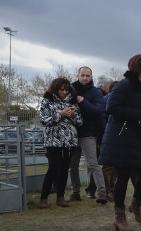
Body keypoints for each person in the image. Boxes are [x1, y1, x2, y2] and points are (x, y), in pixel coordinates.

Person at [99, 54, 141, 230]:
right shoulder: (124, 85)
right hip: (120, 137)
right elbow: (111, 108)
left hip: (139, 135)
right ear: (137, 67)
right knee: (123, 176)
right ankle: (119, 216)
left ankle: (136, 204)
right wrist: (140, 115)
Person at [38, 77, 83, 209]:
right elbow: (43, 120)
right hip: (53, 141)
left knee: (64, 169)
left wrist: (74, 116)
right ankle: (43, 198)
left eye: (66, 89)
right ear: (55, 89)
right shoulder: (47, 100)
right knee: (53, 169)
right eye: (61, 89)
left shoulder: (73, 102)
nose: (64, 92)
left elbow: (80, 122)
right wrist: (60, 114)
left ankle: (61, 197)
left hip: (70, 141)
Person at [67, 66, 108, 204]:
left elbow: (98, 110)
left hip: (88, 132)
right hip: (72, 133)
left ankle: (102, 192)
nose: (85, 78)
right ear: (78, 75)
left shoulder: (95, 92)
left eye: (87, 76)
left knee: (93, 163)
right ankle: (75, 192)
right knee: (73, 165)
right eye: (82, 75)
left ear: (91, 77)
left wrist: (82, 101)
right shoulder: (69, 89)